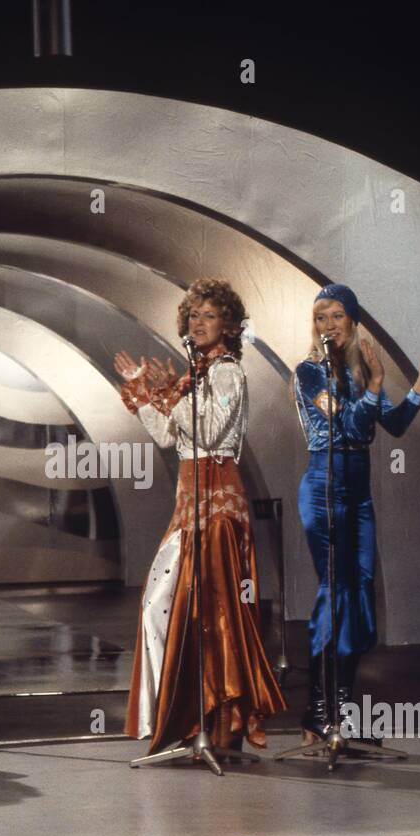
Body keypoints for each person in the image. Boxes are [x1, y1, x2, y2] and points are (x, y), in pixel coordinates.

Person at [114, 278, 285, 754]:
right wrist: (144, 394)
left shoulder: (228, 373)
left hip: (218, 504)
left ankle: (221, 722)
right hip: (189, 502)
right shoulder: (199, 375)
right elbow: (170, 438)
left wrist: (173, 395)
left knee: (217, 614)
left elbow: (211, 429)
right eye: (193, 316)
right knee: (164, 608)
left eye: (209, 315)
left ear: (229, 325)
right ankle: (193, 717)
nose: (198, 323)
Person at [294, 283, 420, 747]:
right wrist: (377, 386)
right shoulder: (308, 373)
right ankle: (317, 710)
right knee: (334, 592)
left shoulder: (361, 373)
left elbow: (396, 425)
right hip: (324, 487)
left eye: (337, 316)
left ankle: (343, 709)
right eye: (321, 317)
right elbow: (346, 425)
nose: (329, 325)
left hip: (358, 492)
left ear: (353, 322)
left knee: (360, 594)